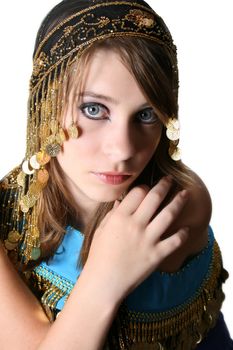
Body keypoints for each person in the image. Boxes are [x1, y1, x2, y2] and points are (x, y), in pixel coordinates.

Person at [0, 0, 232, 349]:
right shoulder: (8, 209)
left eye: (146, 114)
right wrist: (106, 277)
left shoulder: (181, 204)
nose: (123, 150)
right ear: (45, 103)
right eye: (94, 109)